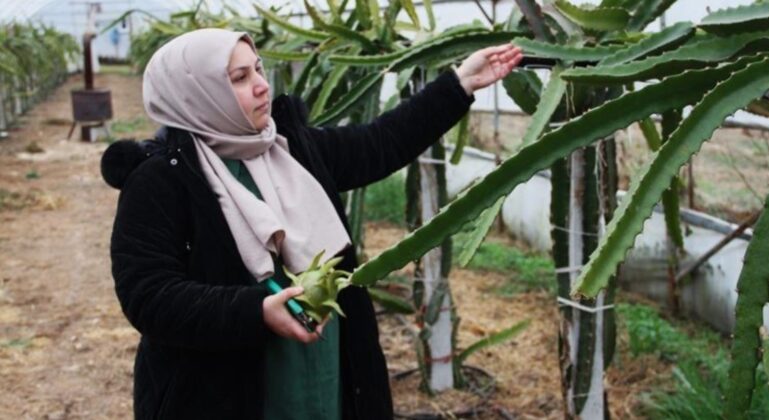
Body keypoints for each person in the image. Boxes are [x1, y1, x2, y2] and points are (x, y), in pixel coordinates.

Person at [101, 28, 521, 419]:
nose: (262, 85)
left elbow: (381, 142)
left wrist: (460, 84)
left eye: (259, 69)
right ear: (198, 94)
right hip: (226, 389)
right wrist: (256, 312)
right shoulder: (161, 179)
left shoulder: (289, 147)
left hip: (325, 369)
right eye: (240, 78)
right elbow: (149, 295)